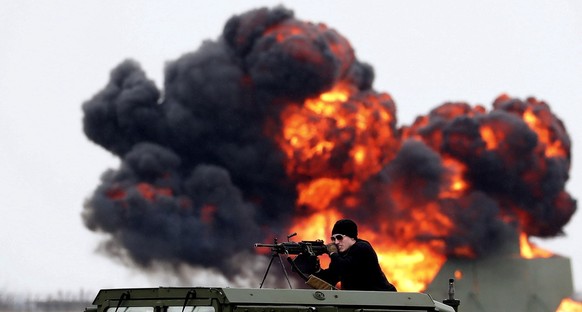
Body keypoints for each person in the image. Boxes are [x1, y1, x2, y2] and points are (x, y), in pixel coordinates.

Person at [312, 219, 397, 291]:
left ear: (352, 237)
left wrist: (332, 253)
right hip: (361, 302)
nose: (336, 242)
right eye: (333, 239)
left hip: (383, 300)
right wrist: (314, 269)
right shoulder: (341, 256)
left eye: (339, 237)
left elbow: (345, 267)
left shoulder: (362, 247)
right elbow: (330, 278)